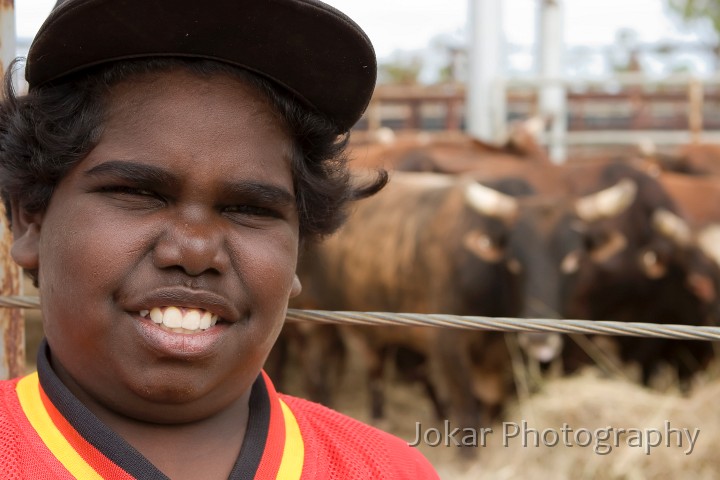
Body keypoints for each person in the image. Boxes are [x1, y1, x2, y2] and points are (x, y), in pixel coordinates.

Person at [0, 0, 440, 478]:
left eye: (249, 209)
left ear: (298, 252)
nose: (194, 251)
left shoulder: (390, 469)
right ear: (32, 220)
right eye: (137, 193)